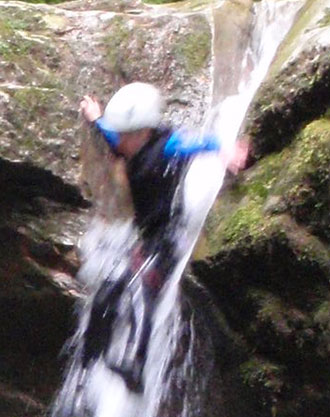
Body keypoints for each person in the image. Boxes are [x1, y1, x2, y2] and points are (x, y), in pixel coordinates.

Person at [73, 82, 249, 394]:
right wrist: (95, 116)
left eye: (127, 135)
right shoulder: (129, 142)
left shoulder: (167, 146)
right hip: (146, 235)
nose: (121, 141)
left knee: (144, 293)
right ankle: (87, 365)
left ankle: (137, 365)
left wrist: (224, 150)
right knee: (108, 292)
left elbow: (195, 143)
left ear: (143, 132)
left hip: (168, 237)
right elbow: (110, 134)